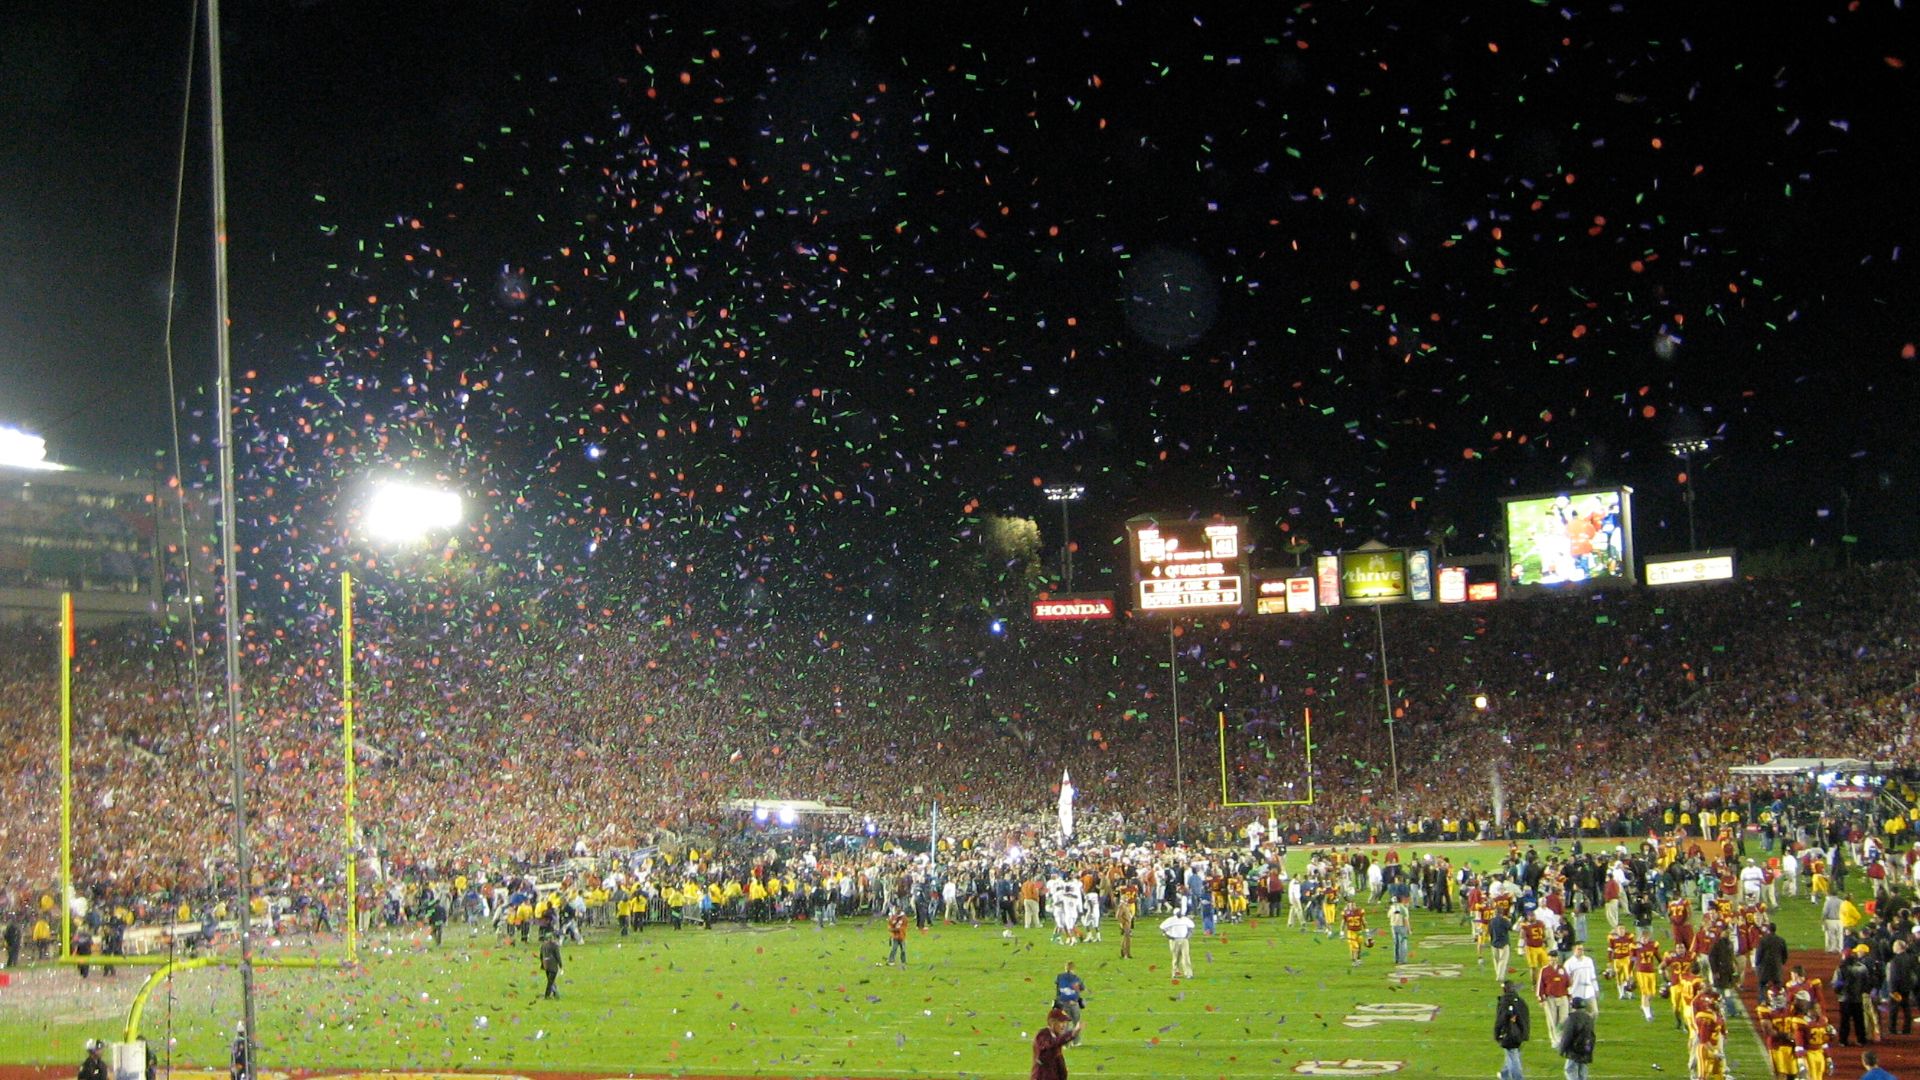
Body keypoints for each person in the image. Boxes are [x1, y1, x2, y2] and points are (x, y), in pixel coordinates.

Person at [1030, 1006, 1082, 1080]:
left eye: (1065, 1022)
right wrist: (1071, 1034)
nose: (1064, 1025)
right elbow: (1051, 1044)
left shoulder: (1056, 1036)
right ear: (1052, 1022)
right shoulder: (1042, 1035)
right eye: (1061, 1022)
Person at [1495, 978, 1531, 1080]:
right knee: (1513, 1054)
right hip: (1521, 1033)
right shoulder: (1521, 1001)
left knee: (1513, 1056)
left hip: (1510, 1034)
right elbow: (1526, 1018)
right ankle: (1504, 1074)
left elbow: (1500, 1020)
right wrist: (1525, 1033)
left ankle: (1517, 1078)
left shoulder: (1505, 1002)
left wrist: (1496, 1034)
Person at [1558, 997, 1595, 1080]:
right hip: (1586, 1048)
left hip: (1574, 1049)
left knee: (1570, 1069)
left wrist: (1562, 1049)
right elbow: (1592, 1035)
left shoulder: (1572, 1018)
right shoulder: (1589, 1018)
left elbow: (1567, 1036)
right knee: (1582, 1072)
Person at [1053, 961, 1086, 1044]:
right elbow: (1082, 988)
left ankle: (1066, 1043)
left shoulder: (1059, 977)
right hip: (1074, 1003)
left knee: (1065, 1024)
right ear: (1073, 968)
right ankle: (1076, 1042)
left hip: (1063, 1002)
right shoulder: (1076, 978)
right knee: (1076, 1023)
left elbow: (1057, 987)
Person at [1159, 909, 1195, 979]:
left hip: (1184, 939)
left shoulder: (1185, 919)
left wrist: (1189, 935)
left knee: (1186, 957)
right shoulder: (1171, 920)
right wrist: (1168, 936)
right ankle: (1175, 973)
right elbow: (1162, 928)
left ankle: (1188, 973)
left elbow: (1191, 927)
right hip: (1174, 940)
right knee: (1176, 958)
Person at [538, 931, 563, 999]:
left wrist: (542, 963)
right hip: (553, 966)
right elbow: (558, 956)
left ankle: (555, 993)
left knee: (551, 980)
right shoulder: (554, 945)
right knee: (550, 981)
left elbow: (541, 956)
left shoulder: (543, 945)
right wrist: (561, 965)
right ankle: (547, 995)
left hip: (546, 965)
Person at [1388, 896, 1411, 965]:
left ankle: (1396, 959)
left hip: (1393, 926)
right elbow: (1405, 919)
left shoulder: (1392, 907)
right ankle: (1402, 960)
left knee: (1396, 943)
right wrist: (1409, 929)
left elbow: (1388, 916)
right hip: (1401, 926)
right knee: (1403, 943)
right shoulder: (1403, 908)